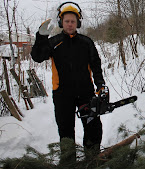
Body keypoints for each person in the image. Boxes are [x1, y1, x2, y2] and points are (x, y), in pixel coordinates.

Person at [30, 2, 105, 162]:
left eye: (73, 21)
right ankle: (68, 162)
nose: (70, 24)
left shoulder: (86, 42)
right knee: (65, 131)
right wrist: (41, 37)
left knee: (93, 127)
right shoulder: (54, 42)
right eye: (66, 21)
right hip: (62, 94)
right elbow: (37, 57)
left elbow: (96, 66)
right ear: (61, 23)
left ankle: (92, 159)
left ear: (77, 23)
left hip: (86, 94)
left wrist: (101, 85)